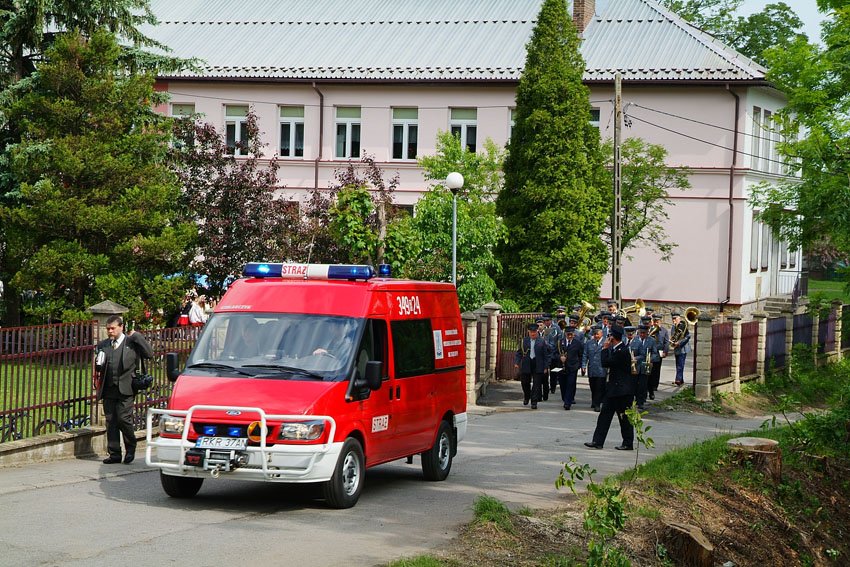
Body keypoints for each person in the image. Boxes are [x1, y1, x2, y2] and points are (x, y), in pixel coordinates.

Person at [95, 315, 154, 464]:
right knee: (111, 421)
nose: (110, 331)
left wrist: (137, 336)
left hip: (126, 388)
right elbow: (99, 365)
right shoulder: (103, 345)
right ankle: (114, 453)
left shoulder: (131, 343)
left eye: (113, 328)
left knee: (123, 419)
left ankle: (130, 447)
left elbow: (149, 354)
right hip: (109, 388)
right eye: (108, 329)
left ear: (121, 327)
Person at [585, 325, 636, 450]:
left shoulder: (622, 351)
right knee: (604, 416)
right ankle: (598, 441)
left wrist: (604, 349)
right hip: (613, 390)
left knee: (624, 418)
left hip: (622, 391)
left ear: (613, 337)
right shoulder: (616, 349)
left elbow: (605, 363)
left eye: (610, 336)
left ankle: (628, 443)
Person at [514, 323, 551, 409]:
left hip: (538, 364)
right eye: (531, 332)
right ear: (528, 332)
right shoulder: (524, 341)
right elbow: (519, 352)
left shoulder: (542, 341)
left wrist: (546, 366)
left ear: (537, 331)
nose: (533, 334)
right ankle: (527, 396)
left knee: (537, 384)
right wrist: (517, 362)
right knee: (524, 382)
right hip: (527, 363)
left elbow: (546, 355)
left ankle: (534, 402)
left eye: (534, 332)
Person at [555, 327, 583, 410]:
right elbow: (554, 353)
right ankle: (565, 399)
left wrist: (579, 365)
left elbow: (580, 355)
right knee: (563, 385)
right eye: (568, 334)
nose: (570, 336)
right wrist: (560, 357)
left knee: (570, 384)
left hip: (572, 367)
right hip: (561, 367)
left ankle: (568, 403)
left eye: (571, 334)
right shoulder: (560, 342)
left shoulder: (577, 343)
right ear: (565, 334)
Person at [582, 325, 607, 411]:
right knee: (593, 386)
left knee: (599, 387)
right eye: (595, 334)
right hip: (592, 368)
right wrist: (583, 366)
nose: (596, 336)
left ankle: (597, 404)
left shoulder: (606, 342)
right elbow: (585, 355)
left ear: (601, 334)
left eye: (597, 334)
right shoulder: (589, 343)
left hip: (602, 369)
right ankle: (594, 401)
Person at [633, 324, 657, 411]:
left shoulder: (652, 341)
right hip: (635, 365)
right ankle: (635, 400)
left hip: (645, 365)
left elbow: (655, 353)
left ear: (647, 333)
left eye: (644, 333)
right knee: (635, 384)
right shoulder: (634, 340)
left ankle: (641, 401)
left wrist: (650, 359)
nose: (642, 334)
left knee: (643, 385)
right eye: (641, 333)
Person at [648, 313, 669, 399]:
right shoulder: (650, 329)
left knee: (657, 369)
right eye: (655, 321)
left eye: (658, 321)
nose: (656, 323)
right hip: (650, 352)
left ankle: (654, 385)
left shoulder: (664, 330)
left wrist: (665, 351)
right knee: (649, 369)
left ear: (660, 321)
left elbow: (666, 342)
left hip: (659, 352)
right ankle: (648, 385)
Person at [670, 311, 691, 386]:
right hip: (677, 348)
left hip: (683, 348)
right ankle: (681, 380)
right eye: (673, 319)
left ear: (679, 318)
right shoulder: (673, 326)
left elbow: (688, 336)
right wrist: (672, 342)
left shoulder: (683, 326)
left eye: (675, 318)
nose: (674, 320)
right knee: (678, 364)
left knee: (680, 364)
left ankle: (678, 380)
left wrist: (679, 343)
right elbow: (673, 336)